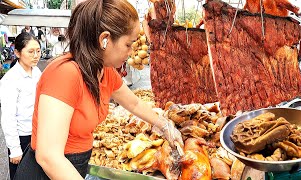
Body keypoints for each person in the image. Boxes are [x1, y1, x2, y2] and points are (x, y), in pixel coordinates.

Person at [14, 0, 183, 179]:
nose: (131, 51)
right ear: (105, 39)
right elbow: (48, 156)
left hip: (76, 165)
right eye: (128, 44)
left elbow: (133, 103)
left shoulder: (104, 70)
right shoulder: (65, 74)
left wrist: (165, 126)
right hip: (48, 173)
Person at [0, 32, 42, 180]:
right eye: (30, 51)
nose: (36, 55)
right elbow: (8, 117)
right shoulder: (10, 80)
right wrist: (15, 149)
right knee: (20, 176)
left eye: (38, 50)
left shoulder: (36, 72)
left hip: (37, 133)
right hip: (22, 137)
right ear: (17, 53)